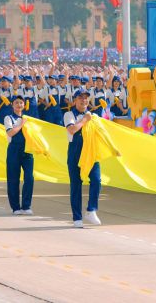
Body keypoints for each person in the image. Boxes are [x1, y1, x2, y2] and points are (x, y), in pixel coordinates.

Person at [64, 88, 102, 228]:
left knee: (97, 180)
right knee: (76, 184)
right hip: (75, 151)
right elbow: (72, 130)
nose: (84, 100)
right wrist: (85, 120)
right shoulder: (69, 114)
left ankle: (91, 209)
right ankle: (77, 218)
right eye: (80, 98)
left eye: (86, 98)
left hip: (90, 151)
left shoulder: (92, 116)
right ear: (75, 101)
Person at [4, 95, 34, 215]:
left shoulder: (28, 118)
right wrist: (21, 124)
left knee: (29, 178)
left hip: (27, 150)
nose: (19, 105)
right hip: (14, 150)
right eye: (16, 103)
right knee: (13, 179)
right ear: (12, 105)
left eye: (21, 103)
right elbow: (10, 132)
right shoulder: (9, 118)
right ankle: (15, 207)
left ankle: (26, 206)